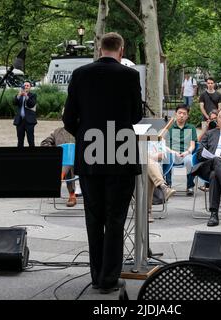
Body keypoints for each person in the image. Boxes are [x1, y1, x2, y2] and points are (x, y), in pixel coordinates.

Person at [62, 32, 142, 294]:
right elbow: (136, 115)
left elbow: (68, 118)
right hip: (121, 151)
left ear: (99, 48)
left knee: (93, 217)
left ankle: (97, 276)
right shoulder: (129, 75)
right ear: (121, 49)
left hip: (90, 152)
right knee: (116, 217)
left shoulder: (81, 74)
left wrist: (85, 136)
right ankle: (109, 278)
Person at [165, 104, 197, 196]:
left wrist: (187, 152)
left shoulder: (191, 128)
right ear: (176, 114)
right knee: (167, 158)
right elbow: (164, 145)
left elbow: (192, 145)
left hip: (186, 154)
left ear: (187, 116)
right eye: (180, 113)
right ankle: (168, 185)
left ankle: (190, 186)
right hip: (172, 153)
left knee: (189, 160)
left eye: (184, 113)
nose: (182, 115)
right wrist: (173, 152)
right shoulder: (170, 128)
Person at [40, 127, 77, 207]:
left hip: (79, 161)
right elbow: (44, 143)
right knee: (67, 162)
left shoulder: (81, 130)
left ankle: (60, 178)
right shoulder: (57, 132)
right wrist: (56, 152)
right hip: (62, 161)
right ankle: (72, 194)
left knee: (69, 162)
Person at [147, 139, 176, 222]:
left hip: (156, 169)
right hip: (138, 170)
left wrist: (145, 156)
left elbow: (161, 156)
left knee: (148, 168)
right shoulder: (137, 137)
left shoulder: (159, 139)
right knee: (146, 166)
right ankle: (163, 187)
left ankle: (147, 212)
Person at [13, 81, 37, 147]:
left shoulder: (33, 95)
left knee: (31, 140)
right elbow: (14, 102)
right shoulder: (19, 95)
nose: (25, 87)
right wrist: (19, 95)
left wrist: (26, 96)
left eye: (27, 86)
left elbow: (31, 104)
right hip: (20, 121)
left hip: (29, 121)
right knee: (20, 141)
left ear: (30, 87)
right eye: (24, 86)